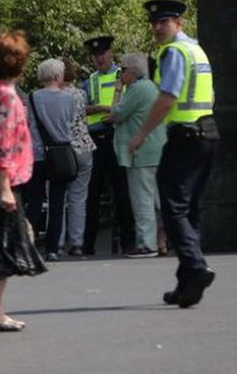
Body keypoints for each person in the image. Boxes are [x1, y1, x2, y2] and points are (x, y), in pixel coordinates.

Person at [128, 0, 217, 308]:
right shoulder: (197, 50)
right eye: (154, 23)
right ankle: (186, 285)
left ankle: (195, 266)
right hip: (206, 134)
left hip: (185, 137)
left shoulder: (176, 53)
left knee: (173, 209)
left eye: (163, 22)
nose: (156, 27)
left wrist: (140, 134)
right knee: (189, 209)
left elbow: (168, 97)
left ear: (178, 22)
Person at [0, 30, 47, 332]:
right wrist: (5, 187)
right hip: (3, 180)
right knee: (3, 247)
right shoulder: (5, 95)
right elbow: (1, 142)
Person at [106, 52, 166, 258]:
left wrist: (117, 90)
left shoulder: (137, 89)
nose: (121, 75)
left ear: (132, 71)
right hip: (155, 150)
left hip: (140, 152)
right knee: (160, 200)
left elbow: (116, 113)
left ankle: (146, 244)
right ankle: (164, 240)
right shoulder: (151, 88)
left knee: (142, 201)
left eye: (122, 70)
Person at [82, 36, 135, 255]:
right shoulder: (90, 80)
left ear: (110, 53)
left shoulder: (122, 76)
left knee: (122, 193)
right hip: (95, 140)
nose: (99, 58)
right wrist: (103, 108)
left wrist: (104, 109)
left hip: (116, 137)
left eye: (102, 54)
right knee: (91, 195)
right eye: (95, 55)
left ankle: (128, 242)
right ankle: (88, 245)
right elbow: (83, 108)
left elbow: (127, 104)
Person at [23, 59, 75, 262]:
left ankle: (29, 244)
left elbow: (29, 123)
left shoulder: (33, 97)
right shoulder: (68, 99)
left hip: (36, 155)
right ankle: (53, 248)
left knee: (34, 202)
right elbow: (69, 122)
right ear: (56, 76)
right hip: (60, 155)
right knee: (57, 202)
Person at [60, 57, 96, 256]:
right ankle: (77, 242)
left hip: (61, 150)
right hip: (84, 146)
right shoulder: (80, 94)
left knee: (58, 197)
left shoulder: (51, 95)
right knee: (78, 198)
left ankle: (56, 240)